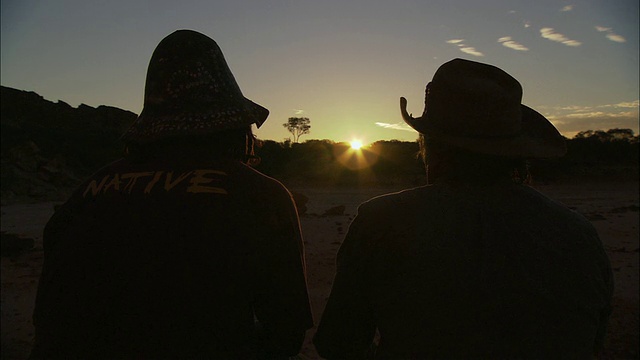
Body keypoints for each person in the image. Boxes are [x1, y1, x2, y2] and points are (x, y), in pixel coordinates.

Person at [30, 29, 313, 359]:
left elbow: (49, 319)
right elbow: (287, 333)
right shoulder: (260, 196)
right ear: (234, 123)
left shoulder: (87, 192)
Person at [313, 58, 613, 359]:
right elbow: (592, 340)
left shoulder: (381, 221)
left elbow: (338, 343)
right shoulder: (578, 232)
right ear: (517, 151)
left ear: (430, 146)